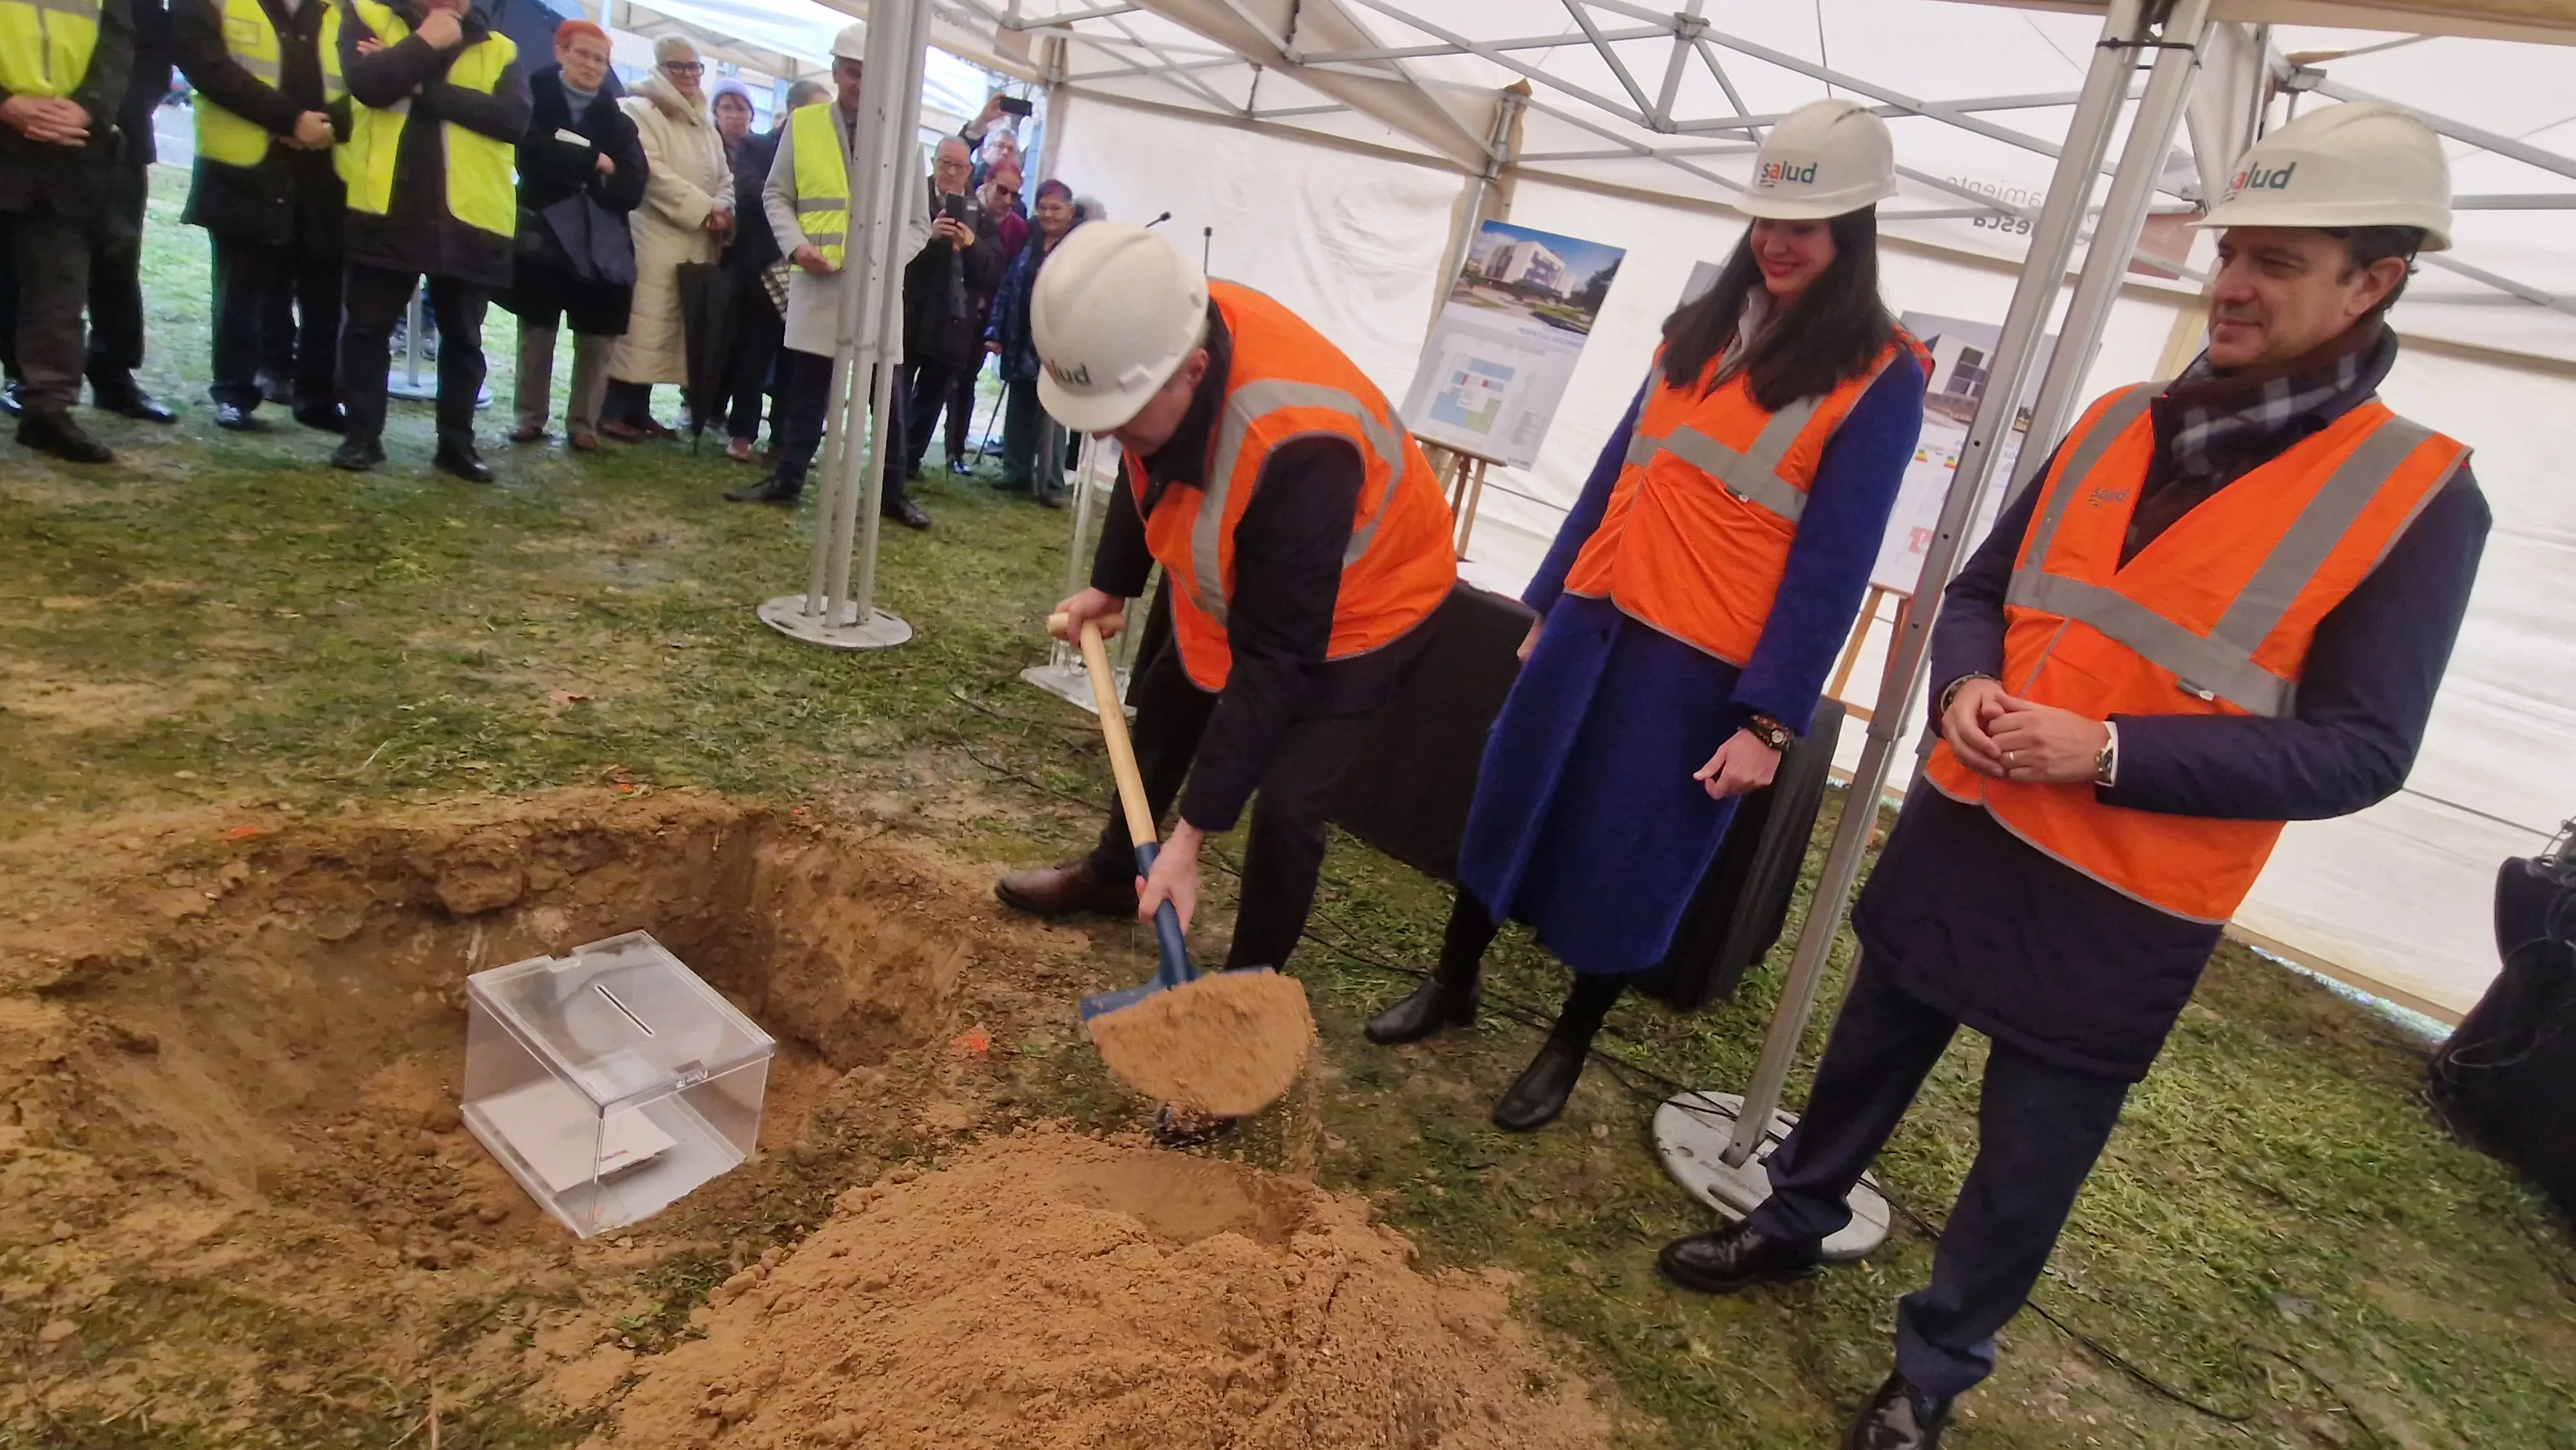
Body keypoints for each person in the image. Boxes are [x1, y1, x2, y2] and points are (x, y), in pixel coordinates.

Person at [1654, 102, 2490, 1450]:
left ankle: (1933, 1369)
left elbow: (2360, 748)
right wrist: (1964, 687)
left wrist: (2108, 751)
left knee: (2027, 1158)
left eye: (2277, 261)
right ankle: (1792, 1217)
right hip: (1966, 829)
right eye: (2231, 251)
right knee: (1866, 1053)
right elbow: (1982, 591)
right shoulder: (2111, 420)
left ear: (2372, 282)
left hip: (2124, 899)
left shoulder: (2419, 496)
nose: (2231, 282)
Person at [1363, 99, 1929, 1134]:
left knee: (1635, 851)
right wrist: (1547, 602)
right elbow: (1617, 471)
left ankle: (1569, 1043)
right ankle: (1453, 981)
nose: (1780, 241)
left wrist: (1769, 720)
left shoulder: (1881, 375)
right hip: (1593, 618)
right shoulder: (1702, 325)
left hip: (1700, 665)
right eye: (1768, 218)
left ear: (1855, 229)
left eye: (1806, 225)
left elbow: (1836, 563)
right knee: (1508, 796)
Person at [992, 223, 1459, 1142]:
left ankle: (1243, 1014)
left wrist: (1192, 838)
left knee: (1288, 804)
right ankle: (1111, 871)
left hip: (1364, 607)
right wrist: (1114, 584)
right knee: (1169, 700)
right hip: (1246, 572)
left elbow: (1276, 663)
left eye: (1123, 414)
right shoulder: (1150, 339)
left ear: (1194, 373)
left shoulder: (1300, 443)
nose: (1109, 435)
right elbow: (1146, 464)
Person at [728, 19, 931, 530]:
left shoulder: (906, 138)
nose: (862, 82)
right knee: (806, 389)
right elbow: (777, 195)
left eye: (871, 72)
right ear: (837, 72)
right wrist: (797, 247)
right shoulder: (805, 125)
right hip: (818, 280)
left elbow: (918, 225)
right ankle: (788, 478)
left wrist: (883, 263)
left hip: (877, 291)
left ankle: (891, 491)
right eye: (853, 71)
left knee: (886, 398)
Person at [332, 0, 530, 480]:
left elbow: (512, 120)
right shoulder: (369, 15)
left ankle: (456, 445)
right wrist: (426, 42)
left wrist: (420, 85)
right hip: (388, 207)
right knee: (367, 330)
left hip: (468, 216)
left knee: (463, 339)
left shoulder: (499, 48)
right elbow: (370, 85)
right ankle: (361, 436)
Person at [173, 0, 347, 432]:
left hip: (325, 169)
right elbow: (207, 66)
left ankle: (319, 399)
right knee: (241, 291)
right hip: (245, 170)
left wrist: (327, 124)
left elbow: (368, 77)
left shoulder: (349, 8)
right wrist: (291, 120)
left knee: (325, 292)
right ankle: (235, 392)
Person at [0, 0, 170, 429]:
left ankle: (100, 380)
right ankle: (23, 378)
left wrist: (91, 109)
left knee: (104, 265)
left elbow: (143, 46)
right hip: (20, 130)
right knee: (26, 272)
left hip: (99, 137)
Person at [500, 17, 643, 451]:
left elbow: (634, 185)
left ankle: (584, 424)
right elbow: (529, 155)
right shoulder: (533, 99)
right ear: (561, 52)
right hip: (543, 234)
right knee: (537, 330)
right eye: (584, 54)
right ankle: (530, 417)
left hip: (601, 243)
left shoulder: (619, 121)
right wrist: (595, 162)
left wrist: (579, 164)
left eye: (601, 59)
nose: (592, 65)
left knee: (598, 337)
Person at [600, 35, 728, 440]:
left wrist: (723, 209)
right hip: (652, 235)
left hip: (695, 240)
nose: (689, 75)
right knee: (640, 325)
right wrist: (706, 209)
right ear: (660, 68)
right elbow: (652, 173)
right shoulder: (638, 111)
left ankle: (639, 410)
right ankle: (612, 409)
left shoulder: (703, 122)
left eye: (695, 67)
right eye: (679, 66)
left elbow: (725, 175)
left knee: (666, 329)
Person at [716, 75, 824, 465]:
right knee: (753, 357)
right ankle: (742, 434)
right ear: (793, 111)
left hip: (804, 273)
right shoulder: (756, 146)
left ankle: (783, 439)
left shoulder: (822, 159)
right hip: (760, 270)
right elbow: (751, 195)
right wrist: (793, 203)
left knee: (794, 363)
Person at [898, 135, 1001, 482]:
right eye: (945, 164)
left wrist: (971, 244)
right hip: (909, 312)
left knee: (932, 397)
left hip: (954, 321)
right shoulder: (911, 198)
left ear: (970, 171)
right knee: (896, 392)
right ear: (934, 163)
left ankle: (909, 461)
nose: (952, 172)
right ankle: (890, 457)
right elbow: (892, 251)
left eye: (959, 166)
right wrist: (928, 237)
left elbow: (992, 270)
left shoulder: (978, 213)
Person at [984, 176, 1081, 504]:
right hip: (1021, 338)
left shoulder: (1079, 249)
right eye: (1043, 208)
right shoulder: (1030, 241)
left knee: (1052, 415)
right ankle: (1016, 472)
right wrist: (995, 332)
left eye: (1056, 208)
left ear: (1070, 211)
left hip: (1057, 343)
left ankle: (1050, 484)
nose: (1048, 215)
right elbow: (1008, 286)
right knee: (1019, 406)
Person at [708, 76, 752, 167]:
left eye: (741, 109)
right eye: (726, 108)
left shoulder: (762, 152)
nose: (734, 116)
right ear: (715, 112)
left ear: (751, 115)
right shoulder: (706, 149)